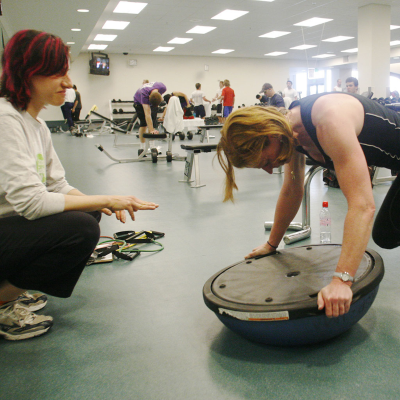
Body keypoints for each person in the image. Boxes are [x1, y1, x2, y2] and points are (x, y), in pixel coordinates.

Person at [0, 30, 159, 340]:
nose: (68, 83)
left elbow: (57, 184)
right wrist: (108, 198)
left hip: (8, 226)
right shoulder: (5, 120)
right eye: (57, 73)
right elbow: (31, 204)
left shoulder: (34, 123)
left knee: (90, 215)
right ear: (28, 74)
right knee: (81, 228)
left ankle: (8, 290)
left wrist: (99, 202)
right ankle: (3, 300)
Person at [217, 91, 400, 319]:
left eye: (265, 161)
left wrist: (342, 280)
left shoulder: (327, 119)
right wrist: (272, 243)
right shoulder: (291, 134)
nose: (269, 169)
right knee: (386, 234)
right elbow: (292, 190)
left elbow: (362, 205)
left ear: (270, 134)